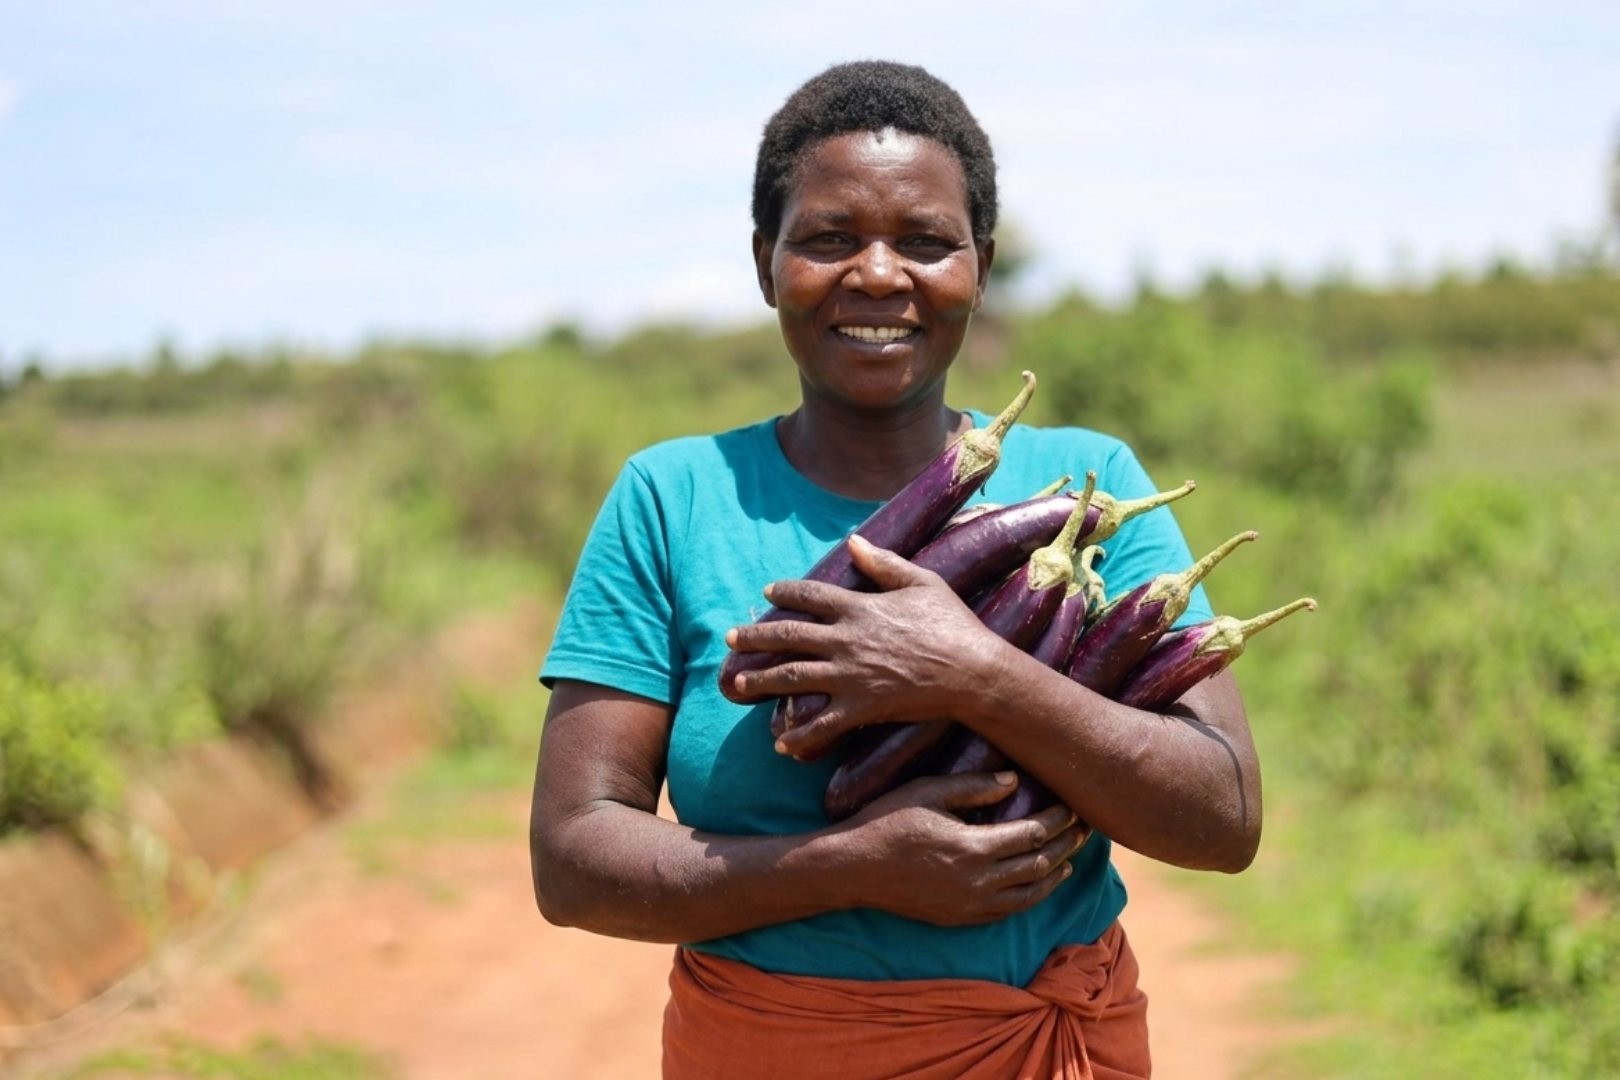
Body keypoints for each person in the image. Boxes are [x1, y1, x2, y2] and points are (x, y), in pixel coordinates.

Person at [530, 60, 1261, 1080]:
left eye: (924, 242)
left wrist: (973, 671)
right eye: (829, 239)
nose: (878, 275)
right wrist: (851, 868)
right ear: (764, 262)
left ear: (981, 264)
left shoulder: (1090, 486)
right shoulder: (674, 498)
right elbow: (574, 862)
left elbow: (1223, 818)